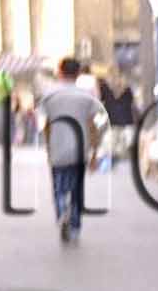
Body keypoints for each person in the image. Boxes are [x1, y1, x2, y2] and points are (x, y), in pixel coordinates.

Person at [40, 56, 108, 241]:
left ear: (60, 72)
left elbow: (46, 124)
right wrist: (94, 153)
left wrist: (48, 147)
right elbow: (93, 125)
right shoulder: (87, 96)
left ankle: (62, 209)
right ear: (78, 73)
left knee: (58, 186)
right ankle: (75, 226)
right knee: (77, 189)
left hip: (57, 147)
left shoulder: (49, 95)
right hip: (80, 148)